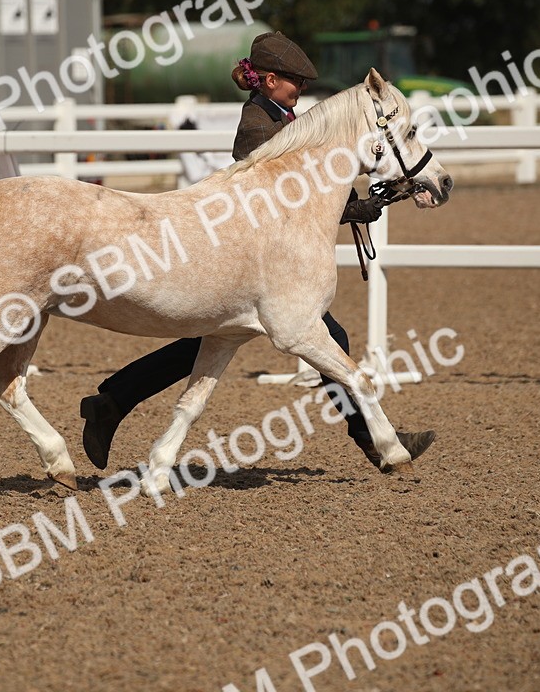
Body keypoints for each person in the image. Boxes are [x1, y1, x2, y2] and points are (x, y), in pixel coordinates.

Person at [80, 31, 436, 472]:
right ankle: (378, 441)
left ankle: (113, 400)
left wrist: (357, 203)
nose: (301, 88)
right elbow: (277, 192)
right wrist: (352, 209)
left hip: (269, 262)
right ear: (268, 81)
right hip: (254, 257)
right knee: (322, 339)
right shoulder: (257, 124)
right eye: (293, 80)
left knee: (208, 340)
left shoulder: (284, 116)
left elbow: (312, 183)